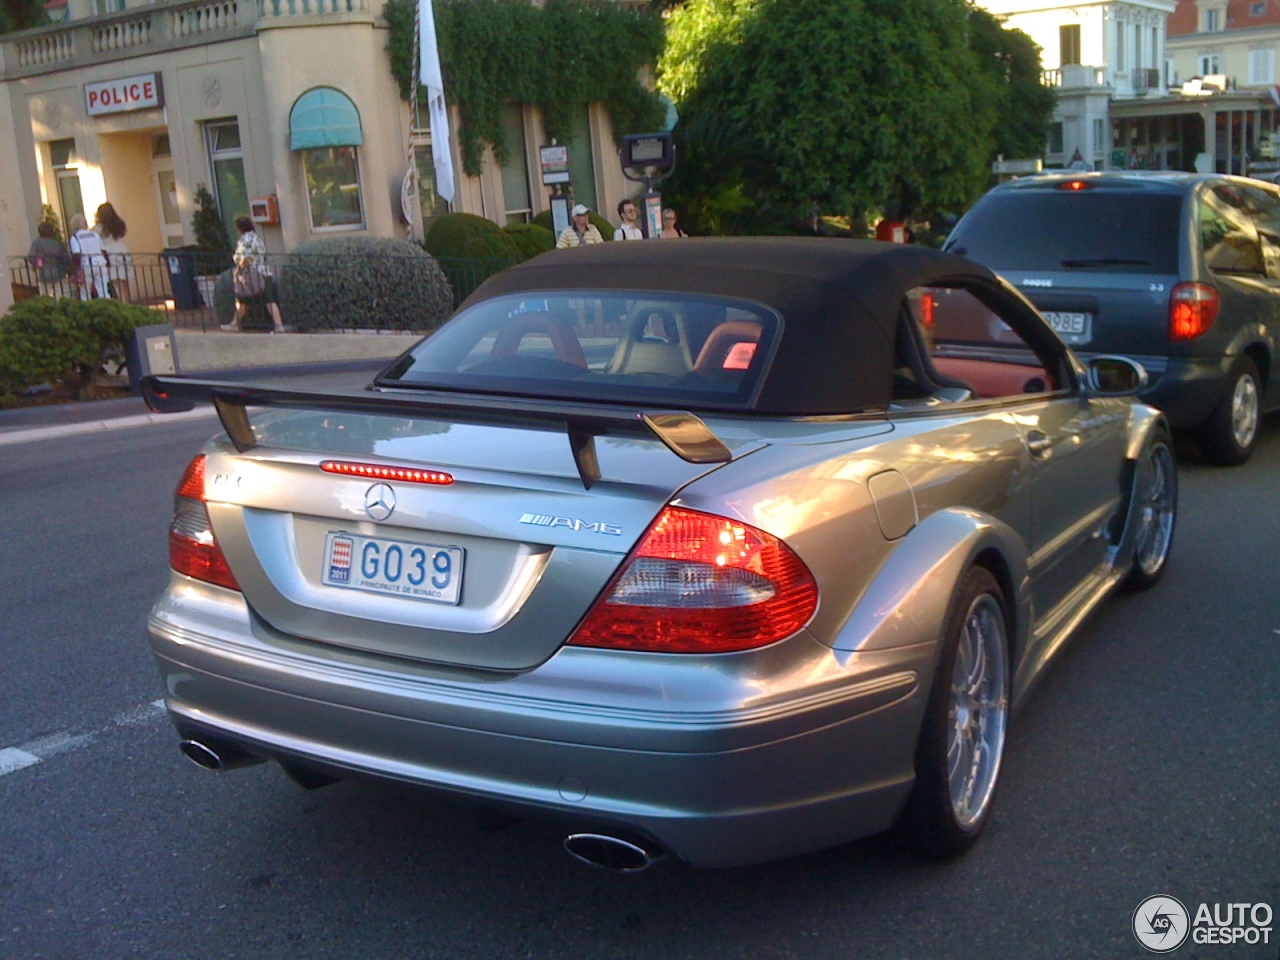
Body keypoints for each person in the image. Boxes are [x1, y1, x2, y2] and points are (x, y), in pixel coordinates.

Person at [221, 216, 285, 333]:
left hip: (252, 274)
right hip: (264, 272)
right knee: (268, 300)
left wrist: (240, 266)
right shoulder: (257, 238)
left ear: (240, 229)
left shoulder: (244, 241)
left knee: (244, 300)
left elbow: (244, 258)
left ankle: (234, 324)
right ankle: (278, 325)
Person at [94, 202, 132, 302]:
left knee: (115, 284)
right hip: (123, 251)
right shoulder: (120, 223)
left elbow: (95, 238)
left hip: (110, 254)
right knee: (124, 283)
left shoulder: (100, 228)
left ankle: (119, 305)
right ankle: (128, 304)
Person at [67, 213, 109, 300]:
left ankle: (87, 310)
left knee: (85, 292)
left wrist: (75, 270)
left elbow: (76, 255)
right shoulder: (94, 235)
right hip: (100, 263)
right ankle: (108, 307)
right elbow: (103, 250)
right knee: (103, 290)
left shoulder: (75, 237)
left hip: (86, 265)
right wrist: (108, 262)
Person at [27, 222, 71, 298]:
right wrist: (66, 269)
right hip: (59, 272)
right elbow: (66, 258)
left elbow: (31, 257)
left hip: (43, 273)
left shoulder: (36, 243)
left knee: (45, 296)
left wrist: (38, 264)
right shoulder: (57, 243)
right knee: (60, 295)